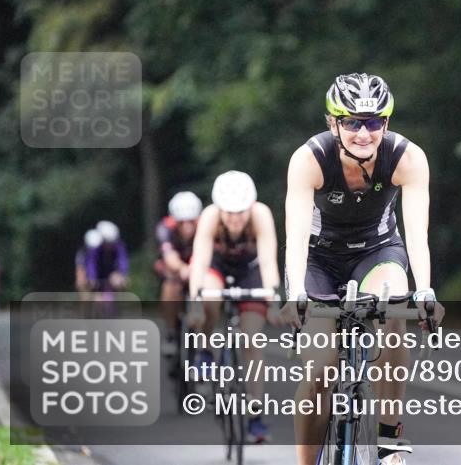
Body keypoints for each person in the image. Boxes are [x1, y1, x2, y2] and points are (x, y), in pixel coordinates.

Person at [279, 72, 444, 465]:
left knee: (394, 303)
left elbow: (417, 234)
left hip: (377, 250)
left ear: (385, 123)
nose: (363, 133)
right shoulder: (309, 159)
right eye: (352, 122)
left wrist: (425, 290)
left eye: (373, 122)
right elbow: (297, 235)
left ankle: (389, 434)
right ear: (333, 123)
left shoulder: (407, 157)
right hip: (318, 259)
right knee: (319, 372)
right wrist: (295, 295)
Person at [187, 170, 282, 444]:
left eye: (240, 212)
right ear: (219, 209)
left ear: (250, 206)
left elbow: (267, 261)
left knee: (253, 342)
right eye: (229, 213)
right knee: (210, 298)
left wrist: (273, 301)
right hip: (217, 267)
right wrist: (194, 303)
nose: (235, 219)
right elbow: (201, 261)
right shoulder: (210, 218)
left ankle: (255, 415)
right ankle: (205, 349)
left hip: (250, 271)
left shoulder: (261, 215)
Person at [154, 191, 202, 353]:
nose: (187, 227)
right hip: (174, 266)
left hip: (197, 263)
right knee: (170, 286)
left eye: (191, 221)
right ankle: (170, 331)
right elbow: (169, 256)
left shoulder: (205, 225)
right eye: (182, 222)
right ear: (175, 221)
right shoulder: (165, 228)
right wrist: (182, 268)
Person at [85, 221, 129, 292]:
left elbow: (122, 261)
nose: (110, 245)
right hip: (98, 277)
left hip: (112, 276)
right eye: (108, 243)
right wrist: (91, 277)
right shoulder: (95, 248)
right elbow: (91, 263)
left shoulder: (119, 246)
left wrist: (122, 275)